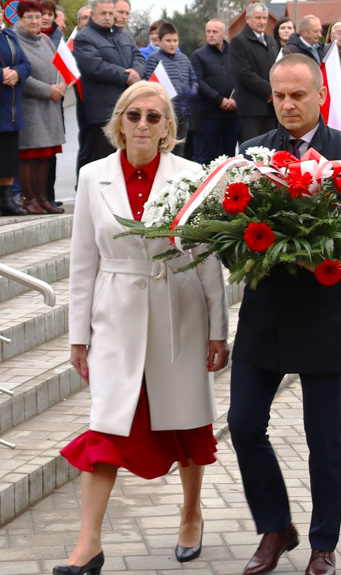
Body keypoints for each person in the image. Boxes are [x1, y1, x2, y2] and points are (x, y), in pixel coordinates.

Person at [57, 81, 229, 575]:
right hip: (116, 316)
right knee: (108, 427)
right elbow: (82, 261)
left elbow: (206, 258)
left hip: (180, 308)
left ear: (168, 127)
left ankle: (190, 513)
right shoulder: (92, 176)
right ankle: (87, 544)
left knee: (187, 419)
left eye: (154, 117)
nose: (143, 125)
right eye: (134, 116)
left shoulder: (191, 175)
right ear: (118, 121)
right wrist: (78, 336)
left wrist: (218, 328)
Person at [230, 53, 341, 575]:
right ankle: (275, 527)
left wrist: (312, 246)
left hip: (324, 314)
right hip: (265, 315)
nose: (288, 104)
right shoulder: (252, 153)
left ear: (321, 95)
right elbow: (233, 229)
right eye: (279, 96)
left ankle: (322, 544)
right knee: (243, 423)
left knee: (324, 439)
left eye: (298, 95)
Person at [74, 0, 145, 171]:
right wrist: (126, 76)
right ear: (92, 15)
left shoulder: (123, 34)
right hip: (103, 112)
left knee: (127, 162)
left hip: (128, 108)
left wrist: (137, 71)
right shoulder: (84, 37)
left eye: (110, 14)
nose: (108, 17)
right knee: (104, 164)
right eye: (103, 14)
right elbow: (95, 67)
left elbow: (139, 57)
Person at [15, 0, 65, 214]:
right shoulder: (14, 40)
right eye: (30, 17)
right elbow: (20, 76)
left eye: (38, 17)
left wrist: (62, 83)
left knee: (45, 154)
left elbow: (59, 63)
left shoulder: (45, 39)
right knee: (30, 154)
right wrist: (47, 90)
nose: (36, 21)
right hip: (30, 106)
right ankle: (29, 199)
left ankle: (43, 198)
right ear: (19, 19)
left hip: (50, 106)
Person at [145, 22, 197, 158]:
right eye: (168, 41)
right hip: (165, 113)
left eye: (175, 41)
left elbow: (194, 79)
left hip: (184, 111)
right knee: (163, 147)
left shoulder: (184, 59)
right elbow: (148, 84)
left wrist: (191, 93)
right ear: (160, 41)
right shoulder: (153, 59)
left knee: (180, 149)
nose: (172, 44)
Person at [230, 2, 279, 144]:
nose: (262, 22)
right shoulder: (239, 41)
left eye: (264, 18)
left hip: (270, 108)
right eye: (258, 18)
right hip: (251, 108)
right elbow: (243, 73)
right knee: (252, 147)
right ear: (247, 19)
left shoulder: (271, 41)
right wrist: (269, 91)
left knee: (269, 147)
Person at [190, 19, 238, 165]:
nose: (210, 35)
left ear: (224, 33)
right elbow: (198, 81)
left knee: (229, 158)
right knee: (209, 157)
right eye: (208, 32)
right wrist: (219, 100)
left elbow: (242, 77)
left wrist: (236, 99)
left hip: (233, 115)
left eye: (214, 32)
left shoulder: (236, 54)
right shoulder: (198, 55)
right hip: (209, 115)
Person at [0, 17, 31, 217]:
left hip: (9, 108)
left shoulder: (9, 35)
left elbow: (26, 64)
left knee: (8, 155)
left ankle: (6, 199)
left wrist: (17, 74)